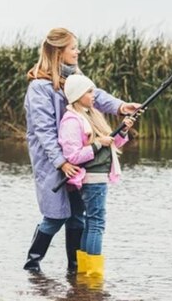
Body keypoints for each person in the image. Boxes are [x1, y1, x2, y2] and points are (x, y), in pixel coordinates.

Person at [23, 27, 140, 273]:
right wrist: (61, 162)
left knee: (78, 215)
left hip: (80, 155)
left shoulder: (75, 78)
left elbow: (95, 96)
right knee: (56, 216)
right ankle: (32, 264)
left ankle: (74, 271)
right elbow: (43, 132)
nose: (78, 51)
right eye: (73, 48)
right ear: (58, 52)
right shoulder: (39, 87)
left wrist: (121, 107)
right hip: (53, 160)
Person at [59, 74, 135, 280]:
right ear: (77, 95)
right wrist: (97, 143)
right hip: (91, 178)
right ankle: (93, 276)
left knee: (91, 222)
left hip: (99, 176)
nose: (94, 95)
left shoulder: (92, 115)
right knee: (96, 223)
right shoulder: (71, 120)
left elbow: (113, 144)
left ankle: (83, 275)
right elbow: (72, 156)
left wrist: (123, 130)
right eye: (90, 92)